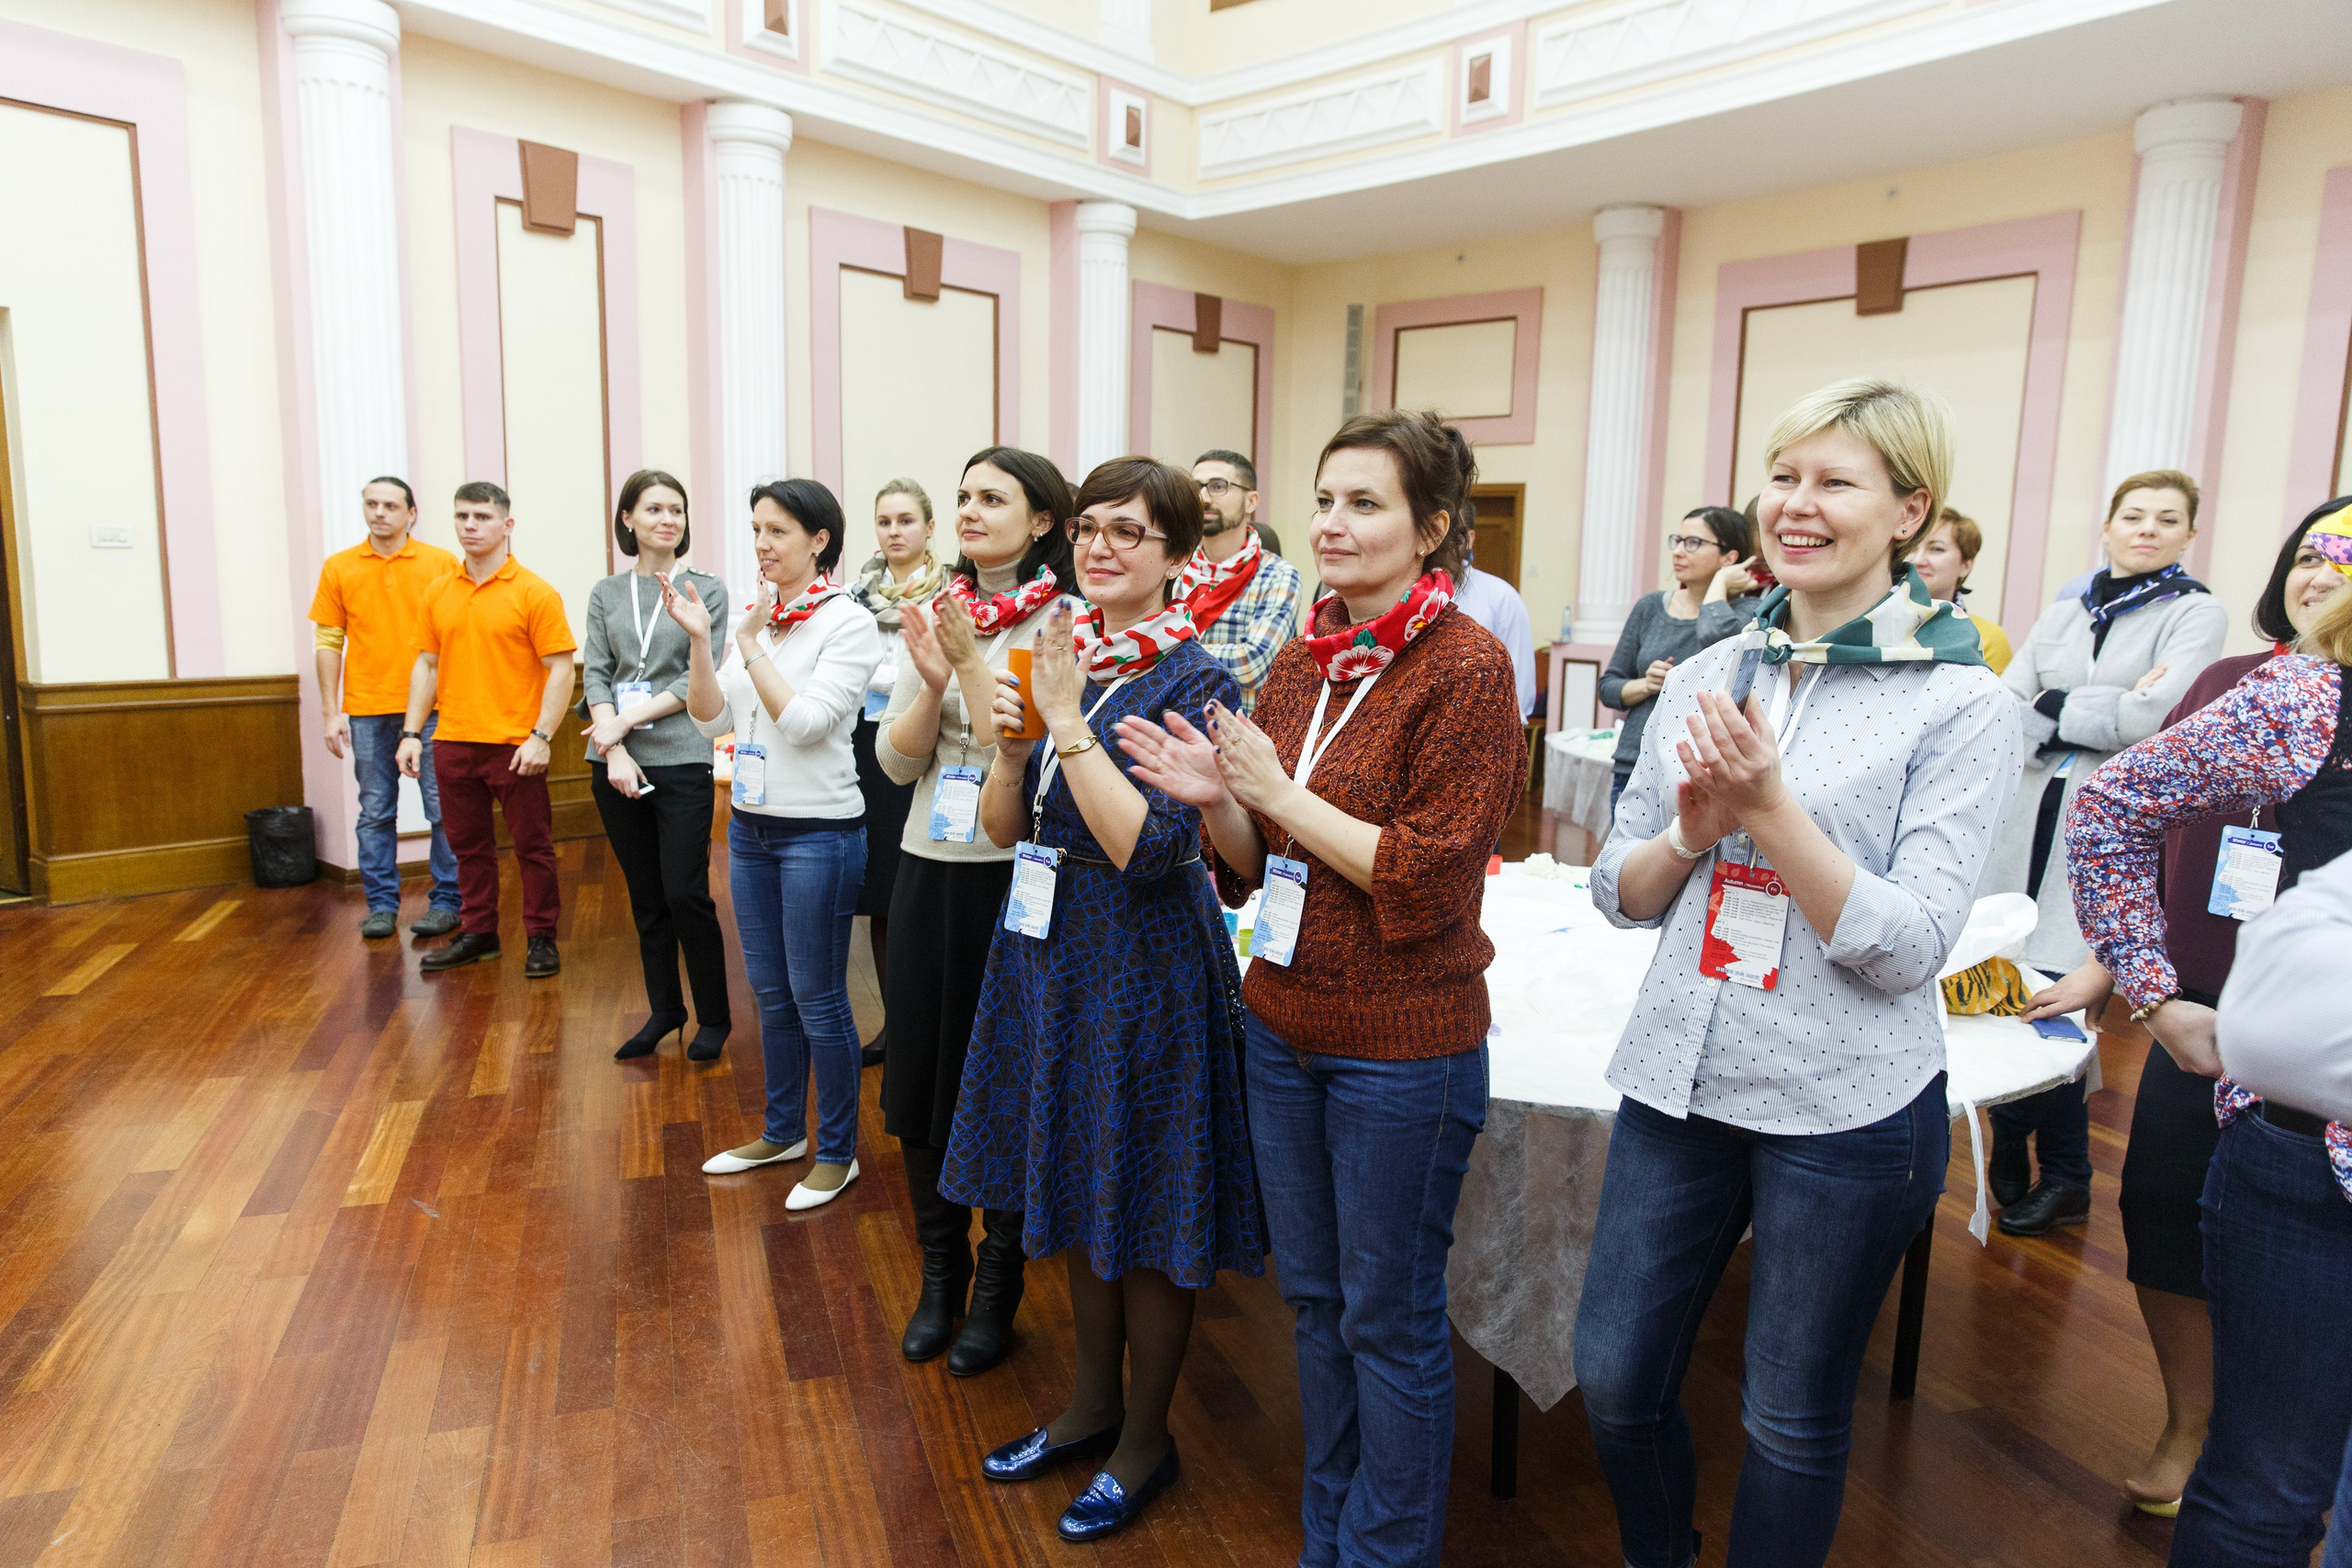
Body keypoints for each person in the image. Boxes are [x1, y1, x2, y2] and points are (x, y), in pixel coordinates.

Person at [1578, 378, 2019, 1568]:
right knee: (1611, 1376)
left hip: (1849, 1102)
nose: (1798, 504)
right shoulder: (1708, 671)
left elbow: (1913, 946)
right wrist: (1688, 831)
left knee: (1789, 1414)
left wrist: (1772, 814)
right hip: (1680, 1075)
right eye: (1783, 475)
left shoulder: (1962, 698)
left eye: (1835, 480)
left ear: (1911, 508)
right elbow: (1617, 889)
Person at [1121, 409, 1527, 1568]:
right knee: (1312, 1303)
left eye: (1365, 503)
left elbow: (1432, 882)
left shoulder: (1467, 669)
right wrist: (1220, 801)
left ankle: (1384, 1551)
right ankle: (1329, 1535)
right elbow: (1260, 867)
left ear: (1432, 528)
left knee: (1386, 1319)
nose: (1332, 523)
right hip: (1282, 1022)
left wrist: (1279, 797)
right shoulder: (1306, 655)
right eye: (1325, 499)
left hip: (1402, 1044)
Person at [946, 456, 1261, 1542]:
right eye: (1088, 527)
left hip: (1145, 961)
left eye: (1130, 531)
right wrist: (1013, 744)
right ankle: (1087, 1406)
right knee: (1079, 1182)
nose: (1099, 546)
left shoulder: (1199, 680)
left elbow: (1148, 848)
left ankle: (1145, 1439)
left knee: (1149, 1199)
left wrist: (1067, 720)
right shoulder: (1061, 655)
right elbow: (1002, 829)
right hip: (1045, 948)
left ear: (1178, 557)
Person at [2019, 495, 2352, 1516]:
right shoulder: (2249, 687)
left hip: (2317, 1049)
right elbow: (2138, 819)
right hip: (2206, 1008)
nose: (2319, 576)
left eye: (2342, 561)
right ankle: (2189, 1420)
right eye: (2307, 555)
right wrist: (2137, 979)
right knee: (2166, 1218)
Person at [1984, 470, 2228, 1235]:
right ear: (2108, 526)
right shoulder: (2066, 610)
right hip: (2025, 816)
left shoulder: (2197, 612)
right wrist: (2091, 709)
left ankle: (2061, 1168)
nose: (2147, 528)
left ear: (2189, 533)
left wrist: (2056, 705)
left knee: (2063, 993)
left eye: (2167, 518)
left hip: (2105, 827)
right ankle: (2015, 1127)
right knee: (2000, 980)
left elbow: (2157, 721)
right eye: (2133, 515)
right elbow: (2005, 704)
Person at [876, 447, 1076, 1373]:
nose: (969, 509)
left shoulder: (1064, 621)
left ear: (1040, 522)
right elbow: (895, 762)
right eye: (961, 494)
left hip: (1015, 875)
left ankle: (998, 1286)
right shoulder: (934, 611)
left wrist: (960, 663)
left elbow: (1022, 750)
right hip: (927, 863)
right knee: (920, 1076)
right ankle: (939, 1277)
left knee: (1003, 1081)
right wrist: (929, 675)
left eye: (992, 497)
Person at [674, 479, 882, 1210]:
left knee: (819, 995)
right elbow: (708, 720)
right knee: (769, 991)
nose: (762, 544)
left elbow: (805, 725)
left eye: (779, 531)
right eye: (757, 529)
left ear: (819, 539)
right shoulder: (764, 619)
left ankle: (836, 1152)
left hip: (819, 833)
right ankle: (783, 1131)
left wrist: (751, 643)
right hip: (752, 830)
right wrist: (705, 642)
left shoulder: (846, 622)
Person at [581, 469, 733, 1063]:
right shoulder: (606, 593)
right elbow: (597, 671)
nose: (667, 519)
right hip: (614, 761)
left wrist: (624, 720)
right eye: (654, 509)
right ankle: (665, 1009)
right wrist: (613, 744)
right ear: (629, 519)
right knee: (645, 897)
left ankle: (714, 1016)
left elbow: (695, 674)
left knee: (684, 891)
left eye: (677, 509)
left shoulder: (705, 590)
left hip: (680, 755)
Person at [397, 482, 576, 979]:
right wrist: (411, 733)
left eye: (481, 516)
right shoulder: (438, 591)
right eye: (462, 516)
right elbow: (427, 666)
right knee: (468, 848)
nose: (470, 526)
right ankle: (480, 934)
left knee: (532, 848)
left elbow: (561, 669)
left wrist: (541, 736)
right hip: (452, 742)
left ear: (506, 525)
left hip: (515, 746)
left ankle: (541, 937)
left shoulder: (534, 592)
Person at [310, 476, 463, 941]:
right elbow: (328, 641)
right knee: (375, 810)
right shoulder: (339, 567)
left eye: (390, 505)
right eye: (371, 504)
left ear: (411, 513)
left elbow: (457, 634)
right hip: (368, 708)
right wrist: (329, 711)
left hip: (436, 708)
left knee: (444, 811)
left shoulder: (441, 563)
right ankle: (380, 905)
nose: (380, 512)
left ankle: (447, 903)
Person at [850, 479, 945, 1067]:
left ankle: (938, 1020)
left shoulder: (955, 591)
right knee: (884, 891)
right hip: (867, 746)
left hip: (933, 743)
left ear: (929, 529)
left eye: (906, 520)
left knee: (927, 886)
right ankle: (894, 1023)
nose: (894, 532)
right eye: (884, 521)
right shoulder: (854, 597)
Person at [1598, 505, 1761, 818]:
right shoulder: (1650, 607)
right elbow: (1608, 687)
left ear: (1729, 558)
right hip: (1634, 762)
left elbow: (1717, 638)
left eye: (1694, 543)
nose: (1679, 552)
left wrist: (1720, 586)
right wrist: (1646, 685)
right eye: (1678, 540)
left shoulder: (1749, 613)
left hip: (1701, 769)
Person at [1178, 448, 1303, 709]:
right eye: (1196, 487)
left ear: (1251, 502)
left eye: (1218, 486)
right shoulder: (1175, 566)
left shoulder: (1277, 575)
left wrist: (1164, 648)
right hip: (1170, 723)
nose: (1203, 498)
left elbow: (1253, 663)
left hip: (1237, 732)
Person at [1910, 506, 2012, 673]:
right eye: (1911, 547)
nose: (1918, 559)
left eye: (1936, 549)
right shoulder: (1873, 622)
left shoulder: (1987, 637)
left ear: (1965, 565)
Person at [1452, 522, 1538, 719]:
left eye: (1453, 535)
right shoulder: (1408, 593)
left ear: (1469, 538)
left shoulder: (1501, 596)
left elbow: (1520, 685)